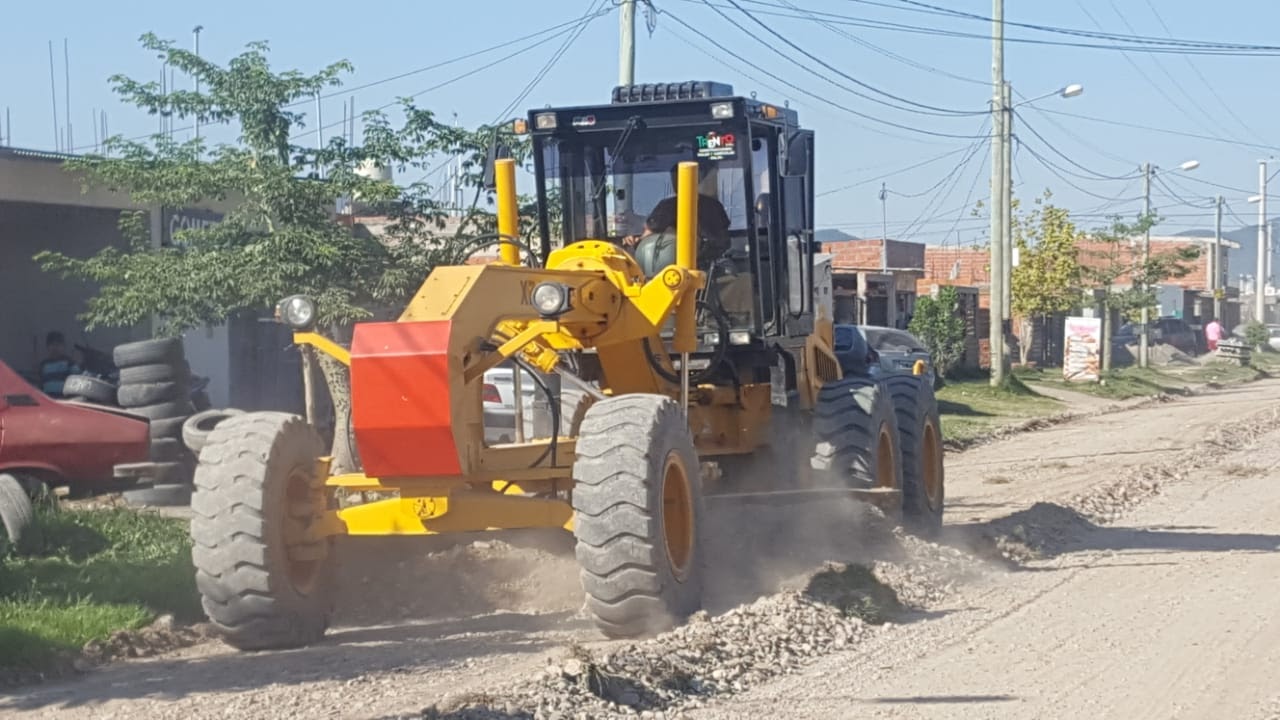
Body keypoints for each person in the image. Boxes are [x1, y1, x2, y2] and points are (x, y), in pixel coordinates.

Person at [622, 163, 732, 274]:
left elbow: (649, 233)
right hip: (713, 268)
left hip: (679, 271)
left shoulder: (668, 206)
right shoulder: (715, 206)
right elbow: (725, 238)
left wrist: (636, 242)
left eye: (676, 179)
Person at [39, 331, 81, 398]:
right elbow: (40, 384)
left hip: (64, 400)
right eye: (52, 345)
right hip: (48, 400)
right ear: (47, 347)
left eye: (58, 345)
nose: (55, 348)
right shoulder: (43, 365)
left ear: (63, 347)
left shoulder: (69, 363)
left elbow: (77, 380)